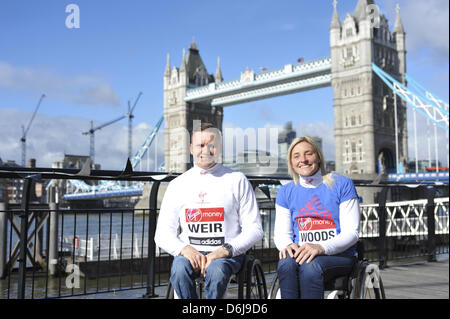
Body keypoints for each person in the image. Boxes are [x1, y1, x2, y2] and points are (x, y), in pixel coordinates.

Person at [155, 122, 263, 299]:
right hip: (190, 253)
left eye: (211, 145)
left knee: (217, 270)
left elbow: (255, 229)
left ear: (219, 148)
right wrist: (184, 249)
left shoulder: (237, 180)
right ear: (191, 148)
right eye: (200, 145)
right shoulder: (177, 185)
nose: (205, 150)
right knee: (180, 269)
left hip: (227, 254)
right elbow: (162, 234)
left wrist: (224, 250)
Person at [274, 136, 360, 299]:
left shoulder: (342, 184)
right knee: (285, 264)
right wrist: (287, 245)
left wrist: (321, 247)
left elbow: (352, 232)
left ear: (318, 156)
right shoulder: (286, 192)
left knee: (310, 266)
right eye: (297, 156)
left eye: (309, 154)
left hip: (338, 255)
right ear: (291, 162)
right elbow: (281, 234)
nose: (303, 160)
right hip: (302, 254)